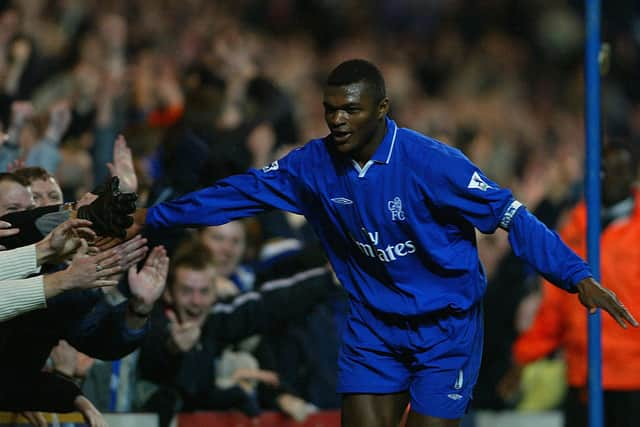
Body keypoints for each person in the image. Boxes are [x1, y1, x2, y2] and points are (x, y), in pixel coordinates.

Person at [131, 59, 637, 427]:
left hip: (446, 329)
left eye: (350, 109)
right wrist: (154, 216)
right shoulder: (312, 165)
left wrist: (577, 276)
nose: (337, 120)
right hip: (373, 326)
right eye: (330, 109)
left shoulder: (434, 163)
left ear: (382, 109)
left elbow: (514, 218)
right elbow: (238, 193)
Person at [499, 141, 640, 427]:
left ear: (632, 174)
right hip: (583, 377)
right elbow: (554, 307)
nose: (609, 178)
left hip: (632, 378)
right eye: (603, 171)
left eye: (619, 171)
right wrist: (522, 358)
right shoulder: (575, 227)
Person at [136, 242, 335, 427]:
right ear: (168, 293)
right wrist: (173, 348)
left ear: (215, 292)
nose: (196, 301)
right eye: (187, 291)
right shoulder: (152, 323)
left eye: (204, 291)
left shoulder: (216, 319)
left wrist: (325, 280)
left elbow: (268, 304)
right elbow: (169, 377)